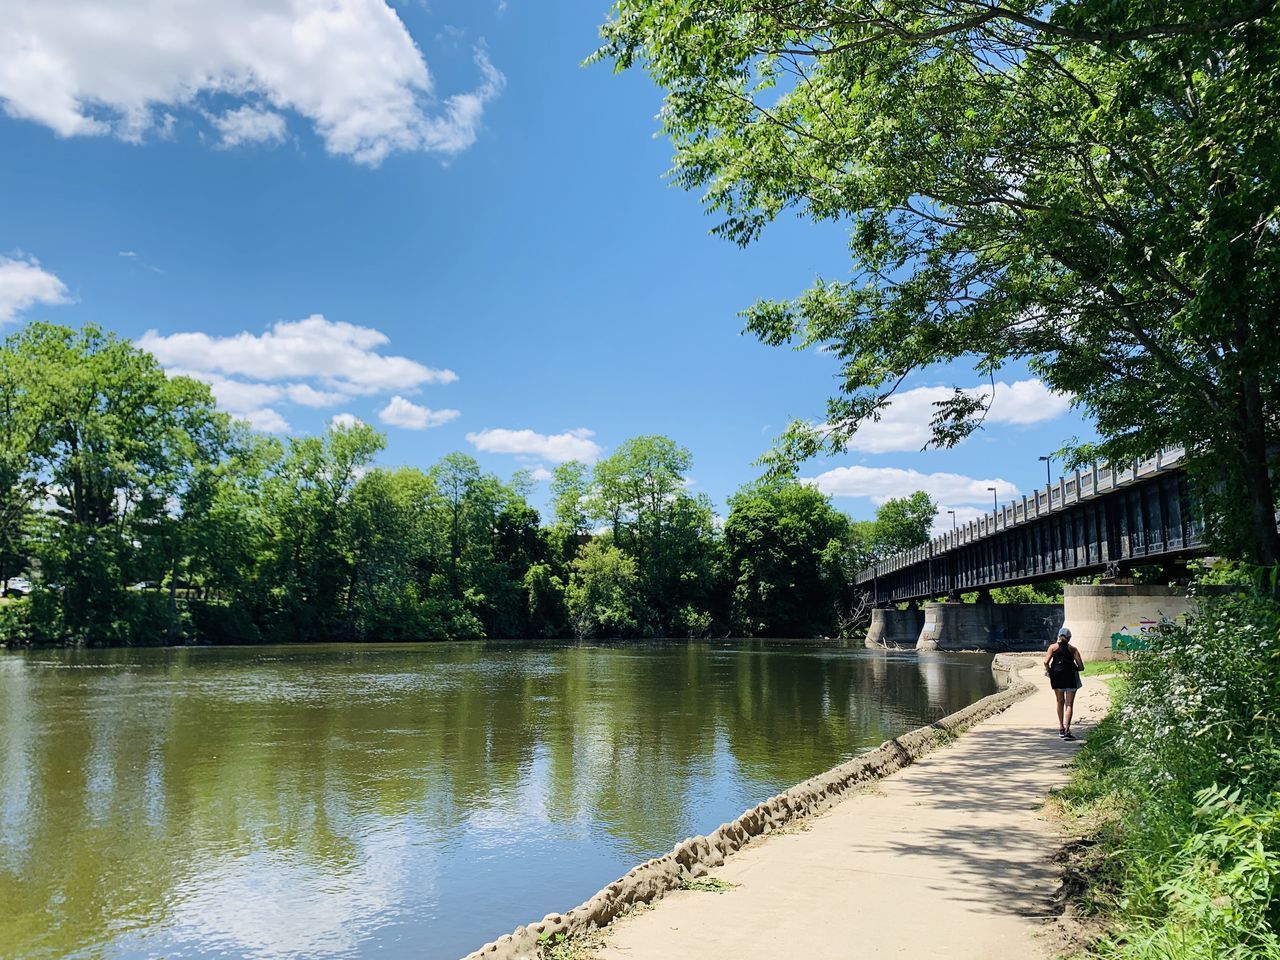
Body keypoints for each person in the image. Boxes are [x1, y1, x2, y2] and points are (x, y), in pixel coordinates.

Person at [1044, 627, 1084, 740]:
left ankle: (1061, 728)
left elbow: (1045, 662)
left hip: (1057, 677)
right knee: (1069, 704)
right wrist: (1075, 668)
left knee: (1059, 701)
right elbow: (1081, 667)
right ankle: (1067, 731)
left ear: (1058, 636)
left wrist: (1049, 671)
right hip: (1070, 677)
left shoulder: (1052, 647)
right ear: (1069, 638)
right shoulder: (1073, 649)